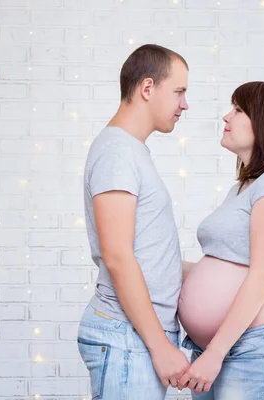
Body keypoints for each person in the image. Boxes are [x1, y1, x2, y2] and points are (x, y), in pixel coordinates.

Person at [176, 81, 264, 399]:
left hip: (252, 352)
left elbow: (262, 278)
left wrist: (214, 354)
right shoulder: (243, 187)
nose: (226, 117)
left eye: (237, 109)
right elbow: (223, 269)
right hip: (222, 350)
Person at [77, 44, 190, 399]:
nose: (184, 104)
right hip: (128, 338)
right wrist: (160, 347)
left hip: (133, 339)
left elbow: (146, 252)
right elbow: (118, 257)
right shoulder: (117, 152)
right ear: (147, 88)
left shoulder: (129, 151)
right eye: (179, 91)